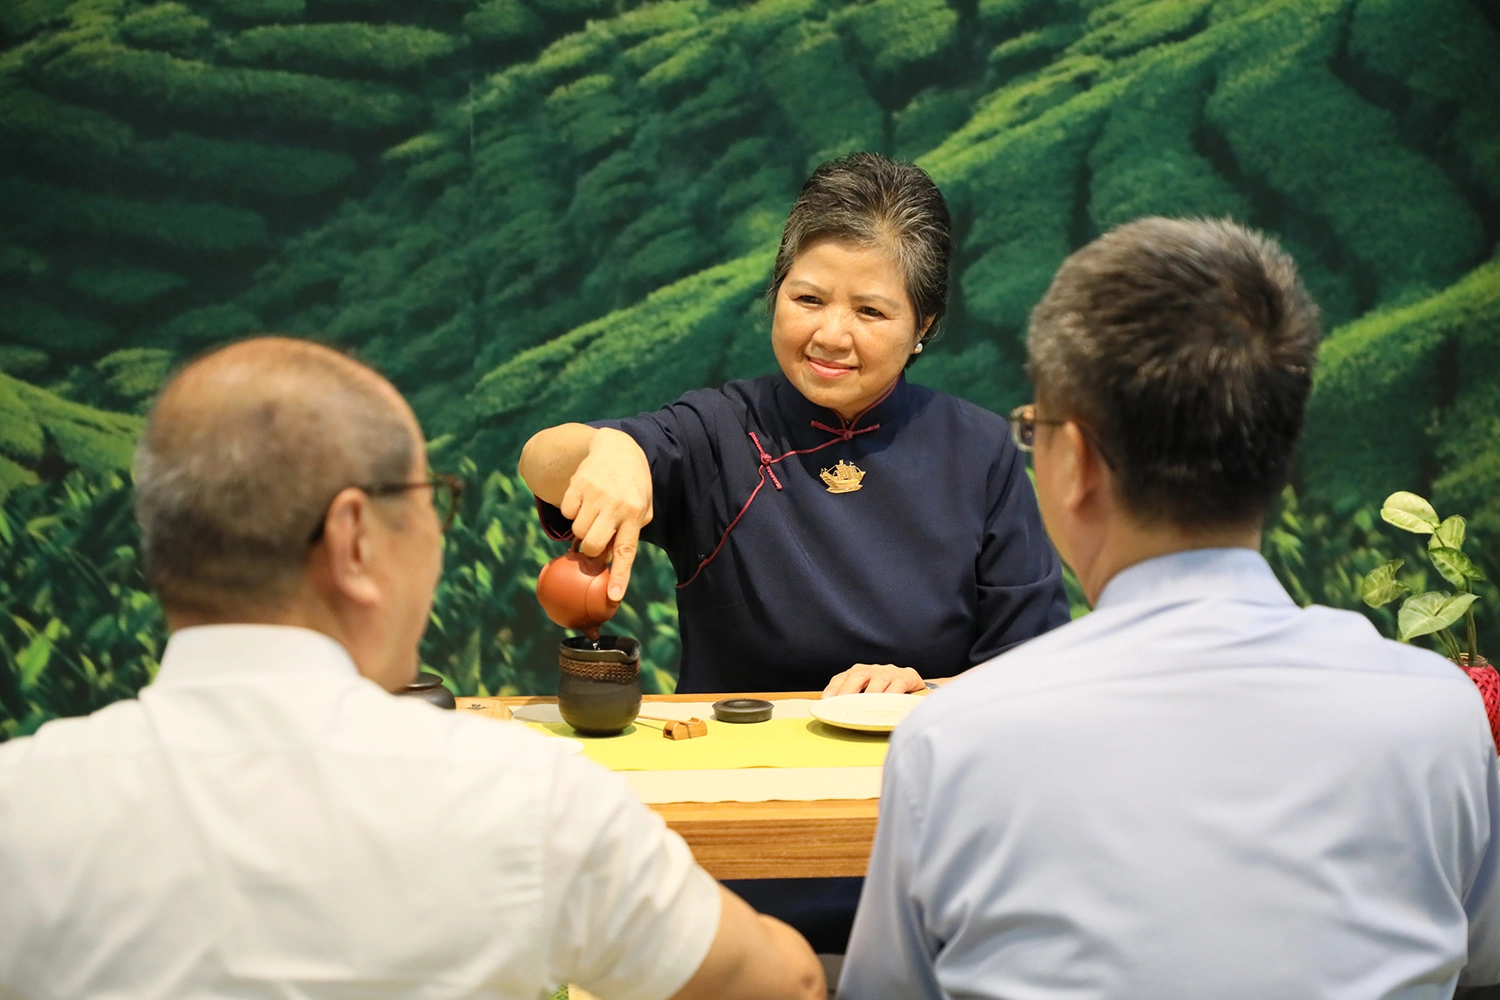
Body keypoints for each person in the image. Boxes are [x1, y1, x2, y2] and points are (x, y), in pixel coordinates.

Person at [0, 338, 824, 1000]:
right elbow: (781, 982)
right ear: (356, 540)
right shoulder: (528, 799)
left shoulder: (20, 805)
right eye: (433, 501)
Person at [840, 218, 1500, 998]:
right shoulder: (1436, 713)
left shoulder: (956, 743)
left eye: (1035, 430)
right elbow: (1481, 966)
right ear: (1283, 454)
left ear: (1076, 460)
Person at [518, 152, 1070, 699]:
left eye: (870, 312)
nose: (830, 335)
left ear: (923, 324)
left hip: (914, 760)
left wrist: (923, 691)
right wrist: (612, 449)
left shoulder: (979, 449)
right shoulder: (718, 430)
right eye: (808, 299)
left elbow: (1032, 663)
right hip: (736, 768)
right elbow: (542, 461)